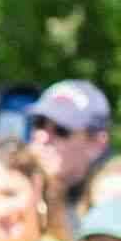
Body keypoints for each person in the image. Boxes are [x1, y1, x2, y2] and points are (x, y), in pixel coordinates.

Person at [24, 79, 110, 220]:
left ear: (96, 144)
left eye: (61, 130)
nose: (42, 136)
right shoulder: (11, 196)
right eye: (39, 123)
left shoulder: (108, 206)